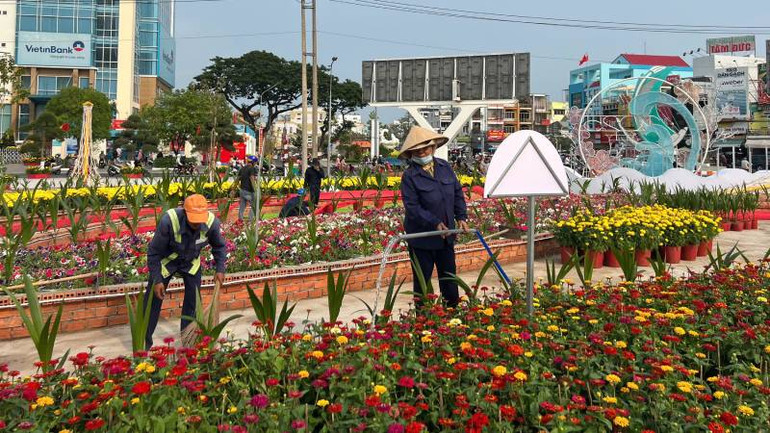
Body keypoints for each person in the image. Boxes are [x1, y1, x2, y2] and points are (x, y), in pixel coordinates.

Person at [144, 194, 227, 349]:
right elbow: (154, 252)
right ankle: (143, 343)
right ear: (184, 211)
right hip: (166, 262)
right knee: (152, 302)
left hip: (191, 263)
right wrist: (157, 280)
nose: (196, 224)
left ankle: (188, 343)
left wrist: (220, 268)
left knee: (193, 303)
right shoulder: (169, 221)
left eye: (199, 219)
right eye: (193, 219)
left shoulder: (211, 223)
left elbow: (219, 247)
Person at [399, 126, 468, 309]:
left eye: (426, 148)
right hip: (422, 239)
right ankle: (423, 321)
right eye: (418, 150)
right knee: (422, 283)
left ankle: (452, 316)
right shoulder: (409, 176)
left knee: (449, 280)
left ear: (433, 148)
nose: (422, 152)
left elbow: (457, 193)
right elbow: (412, 207)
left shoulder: (445, 168)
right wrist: (434, 222)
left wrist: (461, 216)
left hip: (446, 238)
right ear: (411, 153)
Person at [233, 155, 258, 221]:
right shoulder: (252, 168)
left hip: (242, 190)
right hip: (249, 191)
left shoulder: (242, 168)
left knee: (242, 205)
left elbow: (237, 179)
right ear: (254, 162)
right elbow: (252, 178)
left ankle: (240, 219)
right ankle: (251, 219)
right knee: (254, 205)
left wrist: (233, 190)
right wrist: (255, 189)